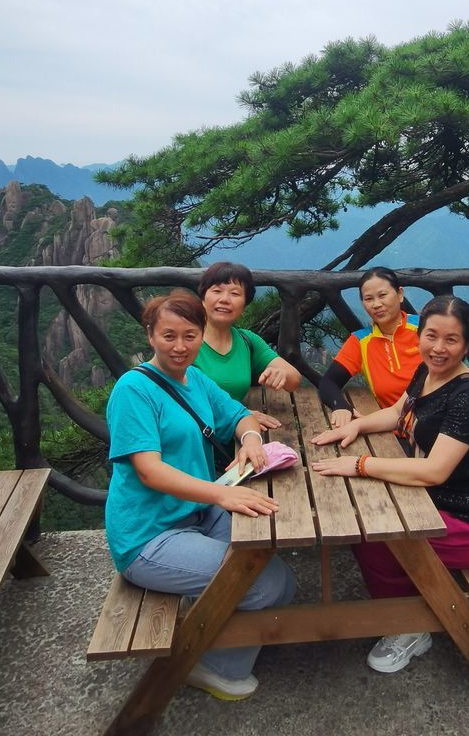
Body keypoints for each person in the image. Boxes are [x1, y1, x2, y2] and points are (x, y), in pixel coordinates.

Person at [105, 289, 296, 701]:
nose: (179, 346)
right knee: (263, 585)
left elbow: (239, 415)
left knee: (283, 580)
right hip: (150, 535)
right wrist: (220, 496)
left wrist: (249, 440)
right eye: (168, 336)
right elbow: (149, 470)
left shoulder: (195, 379)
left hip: (198, 513)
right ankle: (207, 665)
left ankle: (211, 620)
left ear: (200, 335)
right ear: (150, 336)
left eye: (190, 336)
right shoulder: (133, 389)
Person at [311, 294, 469, 674]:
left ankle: (409, 627)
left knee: (375, 538)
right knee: (361, 522)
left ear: (466, 345)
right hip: (436, 502)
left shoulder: (468, 397)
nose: (439, 348)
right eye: (431, 336)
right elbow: (397, 411)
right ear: (419, 335)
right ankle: (403, 598)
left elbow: (434, 471)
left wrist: (361, 464)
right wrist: (356, 425)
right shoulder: (427, 372)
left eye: (451, 340)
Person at [195, 261, 302, 431]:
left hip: (235, 434)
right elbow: (174, 396)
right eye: (217, 291)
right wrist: (238, 413)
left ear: (244, 306)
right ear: (202, 298)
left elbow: (294, 380)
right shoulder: (185, 341)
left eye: (235, 294)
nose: (224, 299)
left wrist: (281, 374)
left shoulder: (246, 340)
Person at [318, 266, 421, 428]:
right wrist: (341, 406)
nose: (376, 304)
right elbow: (328, 382)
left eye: (383, 295)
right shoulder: (361, 342)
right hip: (397, 431)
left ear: (400, 294)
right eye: (368, 299)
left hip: (443, 424)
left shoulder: (425, 329)